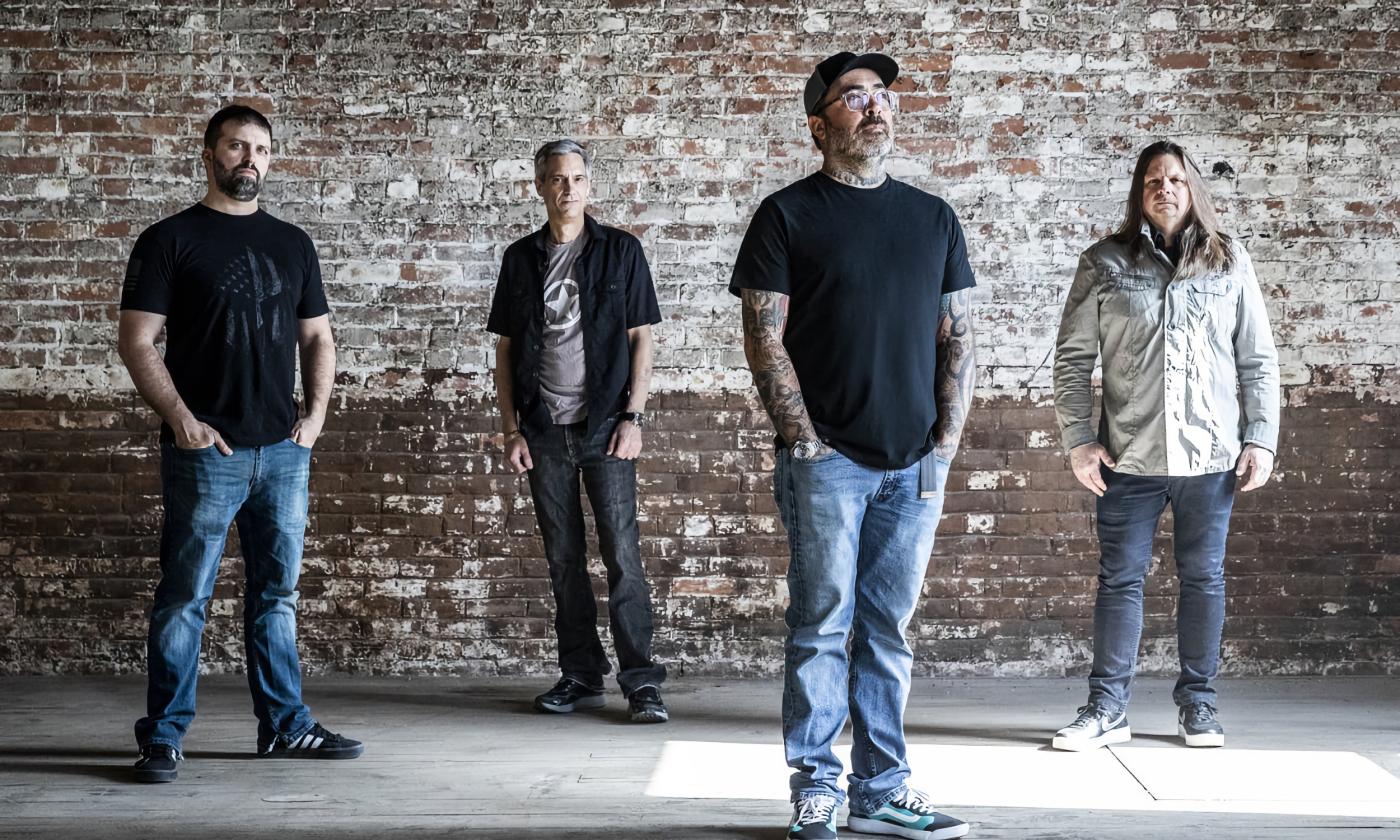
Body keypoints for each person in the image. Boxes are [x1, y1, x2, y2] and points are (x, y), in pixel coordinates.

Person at [732, 52, 975, 840]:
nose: (875, 107)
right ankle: (816, 787)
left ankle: (882, 788)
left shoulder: (933, 218)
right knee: (821, 629)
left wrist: (945, 444)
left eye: (882, 95)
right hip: (828, 463)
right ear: (818, 124)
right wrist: (804, 443)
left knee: (887, 632)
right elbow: (765, 340)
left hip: (913, 464)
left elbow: (959, 337)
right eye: (853, 97)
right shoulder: (786, 215)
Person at [118, 104, 363, 783]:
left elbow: (318, 337)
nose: (248, 158)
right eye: (235, 146)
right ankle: (163, 738)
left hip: (284, 451)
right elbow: (138, 341)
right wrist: (180, 418)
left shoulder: (294, 244)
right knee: (183, 599)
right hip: (207, 453)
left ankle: (285, 728)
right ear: (209, 154)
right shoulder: (169, 240)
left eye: (259, 148)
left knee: (275, 598)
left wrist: (314, 417)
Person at [1051, 139, 1280, 752]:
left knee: (1203, 578)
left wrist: (1260, 438)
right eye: (1152, 179)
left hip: (1210, 457)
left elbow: (1257, 359)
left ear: (1192, 188)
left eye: (1175, 178)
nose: (1164, 187)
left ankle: (1198, 706)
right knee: (1118, 580)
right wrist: (1079, 440)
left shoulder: (1229, 261)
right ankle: (1107, 709)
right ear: (1139, 192)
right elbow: (1072, 360)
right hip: (1128, 455)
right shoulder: (1103, 262)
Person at [487, 139, 669, 724]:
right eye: (558, 179)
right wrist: (511, 429)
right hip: (543, 431)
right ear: (539, 186)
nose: (569, 188)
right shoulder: (519, 260)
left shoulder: (621, 252)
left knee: (622, 555)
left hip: (607, 428)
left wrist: (634, 418)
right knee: (563, 559)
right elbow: (507, 353)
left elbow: (641, 338)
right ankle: (580, 676)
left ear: (591, 186)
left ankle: (641, 682)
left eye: (579, 178)